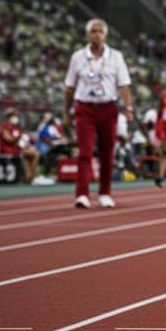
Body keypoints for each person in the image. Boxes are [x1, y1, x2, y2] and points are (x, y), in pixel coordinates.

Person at [63, 19, 134, 209]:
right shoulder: (78, 57)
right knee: (85, 152)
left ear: (106, 35)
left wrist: (129, 108)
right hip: (85, 108)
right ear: (87, 35)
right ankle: (82, 194)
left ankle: (104, 192)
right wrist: (66, 112)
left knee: (107, 153)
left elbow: (123, 85)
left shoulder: (116, 57)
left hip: (108, 108)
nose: (96, 34)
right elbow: (70, 87)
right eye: (93, 31)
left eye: (100, 31)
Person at [0, 108, 39, 183]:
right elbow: (9, 139)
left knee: (35, 153)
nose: (15, 117)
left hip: (18, 149)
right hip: (8, 150)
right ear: (8, 117)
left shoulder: (17, 127)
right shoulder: (4, 127)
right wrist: (19, 137)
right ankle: (29, 177)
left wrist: (26, 143)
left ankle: (33, 176)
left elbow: (21, 140)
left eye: (16, 115)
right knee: (29, 155)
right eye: (13, 115)